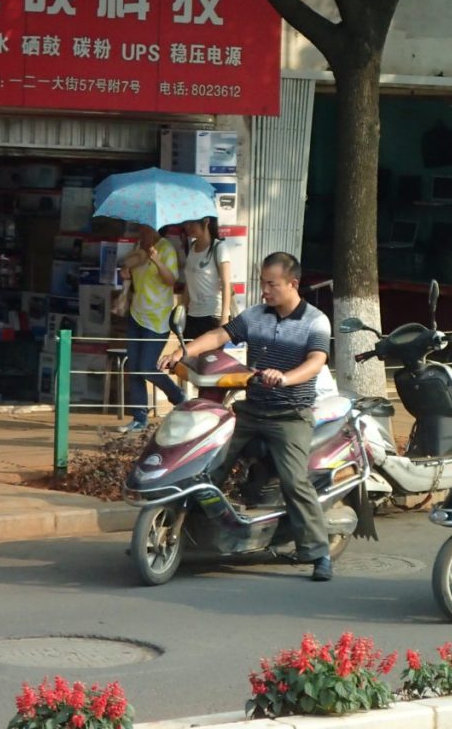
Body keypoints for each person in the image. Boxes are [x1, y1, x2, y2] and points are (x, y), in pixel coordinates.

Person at [158, 252, 334, 581]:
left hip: (290, 415)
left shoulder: (315, 320)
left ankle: (318, 552)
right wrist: (182, 352)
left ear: (293, 284)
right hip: (251, 411)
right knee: (208, 462)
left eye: (272, 284)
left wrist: (286, 377)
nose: (265, 291)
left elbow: (316, 361)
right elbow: (218, 337)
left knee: (294, 480)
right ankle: (190, 533)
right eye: (262, 283)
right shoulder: (255, 316)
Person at [117, 224, 185, 433]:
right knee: (134, 367)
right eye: (140, 228)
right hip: (137, 314)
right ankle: (139, 418)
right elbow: (127, 269)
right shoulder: (139, 247)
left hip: (157, 319)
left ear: (156, 229)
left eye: (145, 228)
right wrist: (126, 270)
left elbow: (171, 281)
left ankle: (178, 397)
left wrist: (156, 259)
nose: (141, 231)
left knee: (146, 366)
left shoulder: (166, 249)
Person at [182, 217, 232, 340]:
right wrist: (182, 309)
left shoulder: (219, 248)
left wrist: (224, 318)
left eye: (192, 223)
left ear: (206, 221)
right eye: (186, 223)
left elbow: (226, 285)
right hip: (192, 315)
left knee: (210, 358)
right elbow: (189, 284)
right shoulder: (192, 247)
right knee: (189, 357)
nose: (188, 227)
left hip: (213, 316)